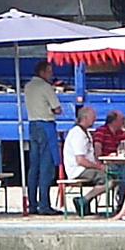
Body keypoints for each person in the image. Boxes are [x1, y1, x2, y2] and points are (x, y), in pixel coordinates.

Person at [22, 60, 64, 215]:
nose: (51, 74)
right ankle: (44, 204)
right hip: (46, 126)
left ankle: (32, 204)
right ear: (42, 72)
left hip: (33, 125)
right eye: (49, 71)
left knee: (34, 167)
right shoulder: (46, 87)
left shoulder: (28, 86)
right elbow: (57, 109)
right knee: (46, 167)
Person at [60, 105, 109, 213]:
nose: (95, 119)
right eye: (93, 117)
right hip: (78, 170)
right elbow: (80, 160)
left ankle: (85, 200)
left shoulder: (84, 132)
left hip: (84, 168)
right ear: (85, 118)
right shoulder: (77, 134)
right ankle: (84, 200)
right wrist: (99, 167)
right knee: (110, 179)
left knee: (111, 175)